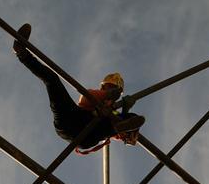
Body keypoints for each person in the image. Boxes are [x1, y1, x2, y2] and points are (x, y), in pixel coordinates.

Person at [12, 24, 144, 153]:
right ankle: (22, 53)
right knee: (52, 80)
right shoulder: (94, 96)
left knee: (125, 119)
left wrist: (126, 112)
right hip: (70, 118)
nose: (108, 90)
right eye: (107, 87)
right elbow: (87, 98)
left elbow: (122, 134)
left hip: (88, 137)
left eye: (112, 88)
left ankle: (123, 125)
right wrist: (109, 95)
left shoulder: (112, 114)